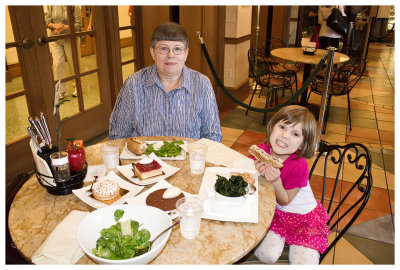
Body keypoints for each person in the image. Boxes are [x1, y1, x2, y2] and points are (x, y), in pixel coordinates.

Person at [109, 22, 222, 142]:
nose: (170, 55)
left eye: (177, 49)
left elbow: (213, 135)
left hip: (189, 158)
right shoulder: (133, 84)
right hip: (144, 159)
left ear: (186, 53)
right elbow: (117, 135)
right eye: (163, 48)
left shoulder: (202, 84)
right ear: (152, 52)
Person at [252, 105, 330, 264]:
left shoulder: (299, 165)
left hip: (302, 218)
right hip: (274, 213)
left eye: (295, 134)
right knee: (267, 255)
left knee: (303, 263)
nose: (285, 135)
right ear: (272, 126)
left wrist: (274, 179)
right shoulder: (262, 151)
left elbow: (284, 200)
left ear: (302, 144)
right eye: (282, 126)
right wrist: (258, 171)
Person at [45, 6, 81, 99]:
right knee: (57, 64)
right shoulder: (53, 5)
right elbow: (47, 22)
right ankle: (60, 90)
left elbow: (78, 25)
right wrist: (55, 26)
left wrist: (64, 27)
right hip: (55, 38)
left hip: (70, 37)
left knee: (73, 62)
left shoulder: (74, 6)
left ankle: (77, 87)